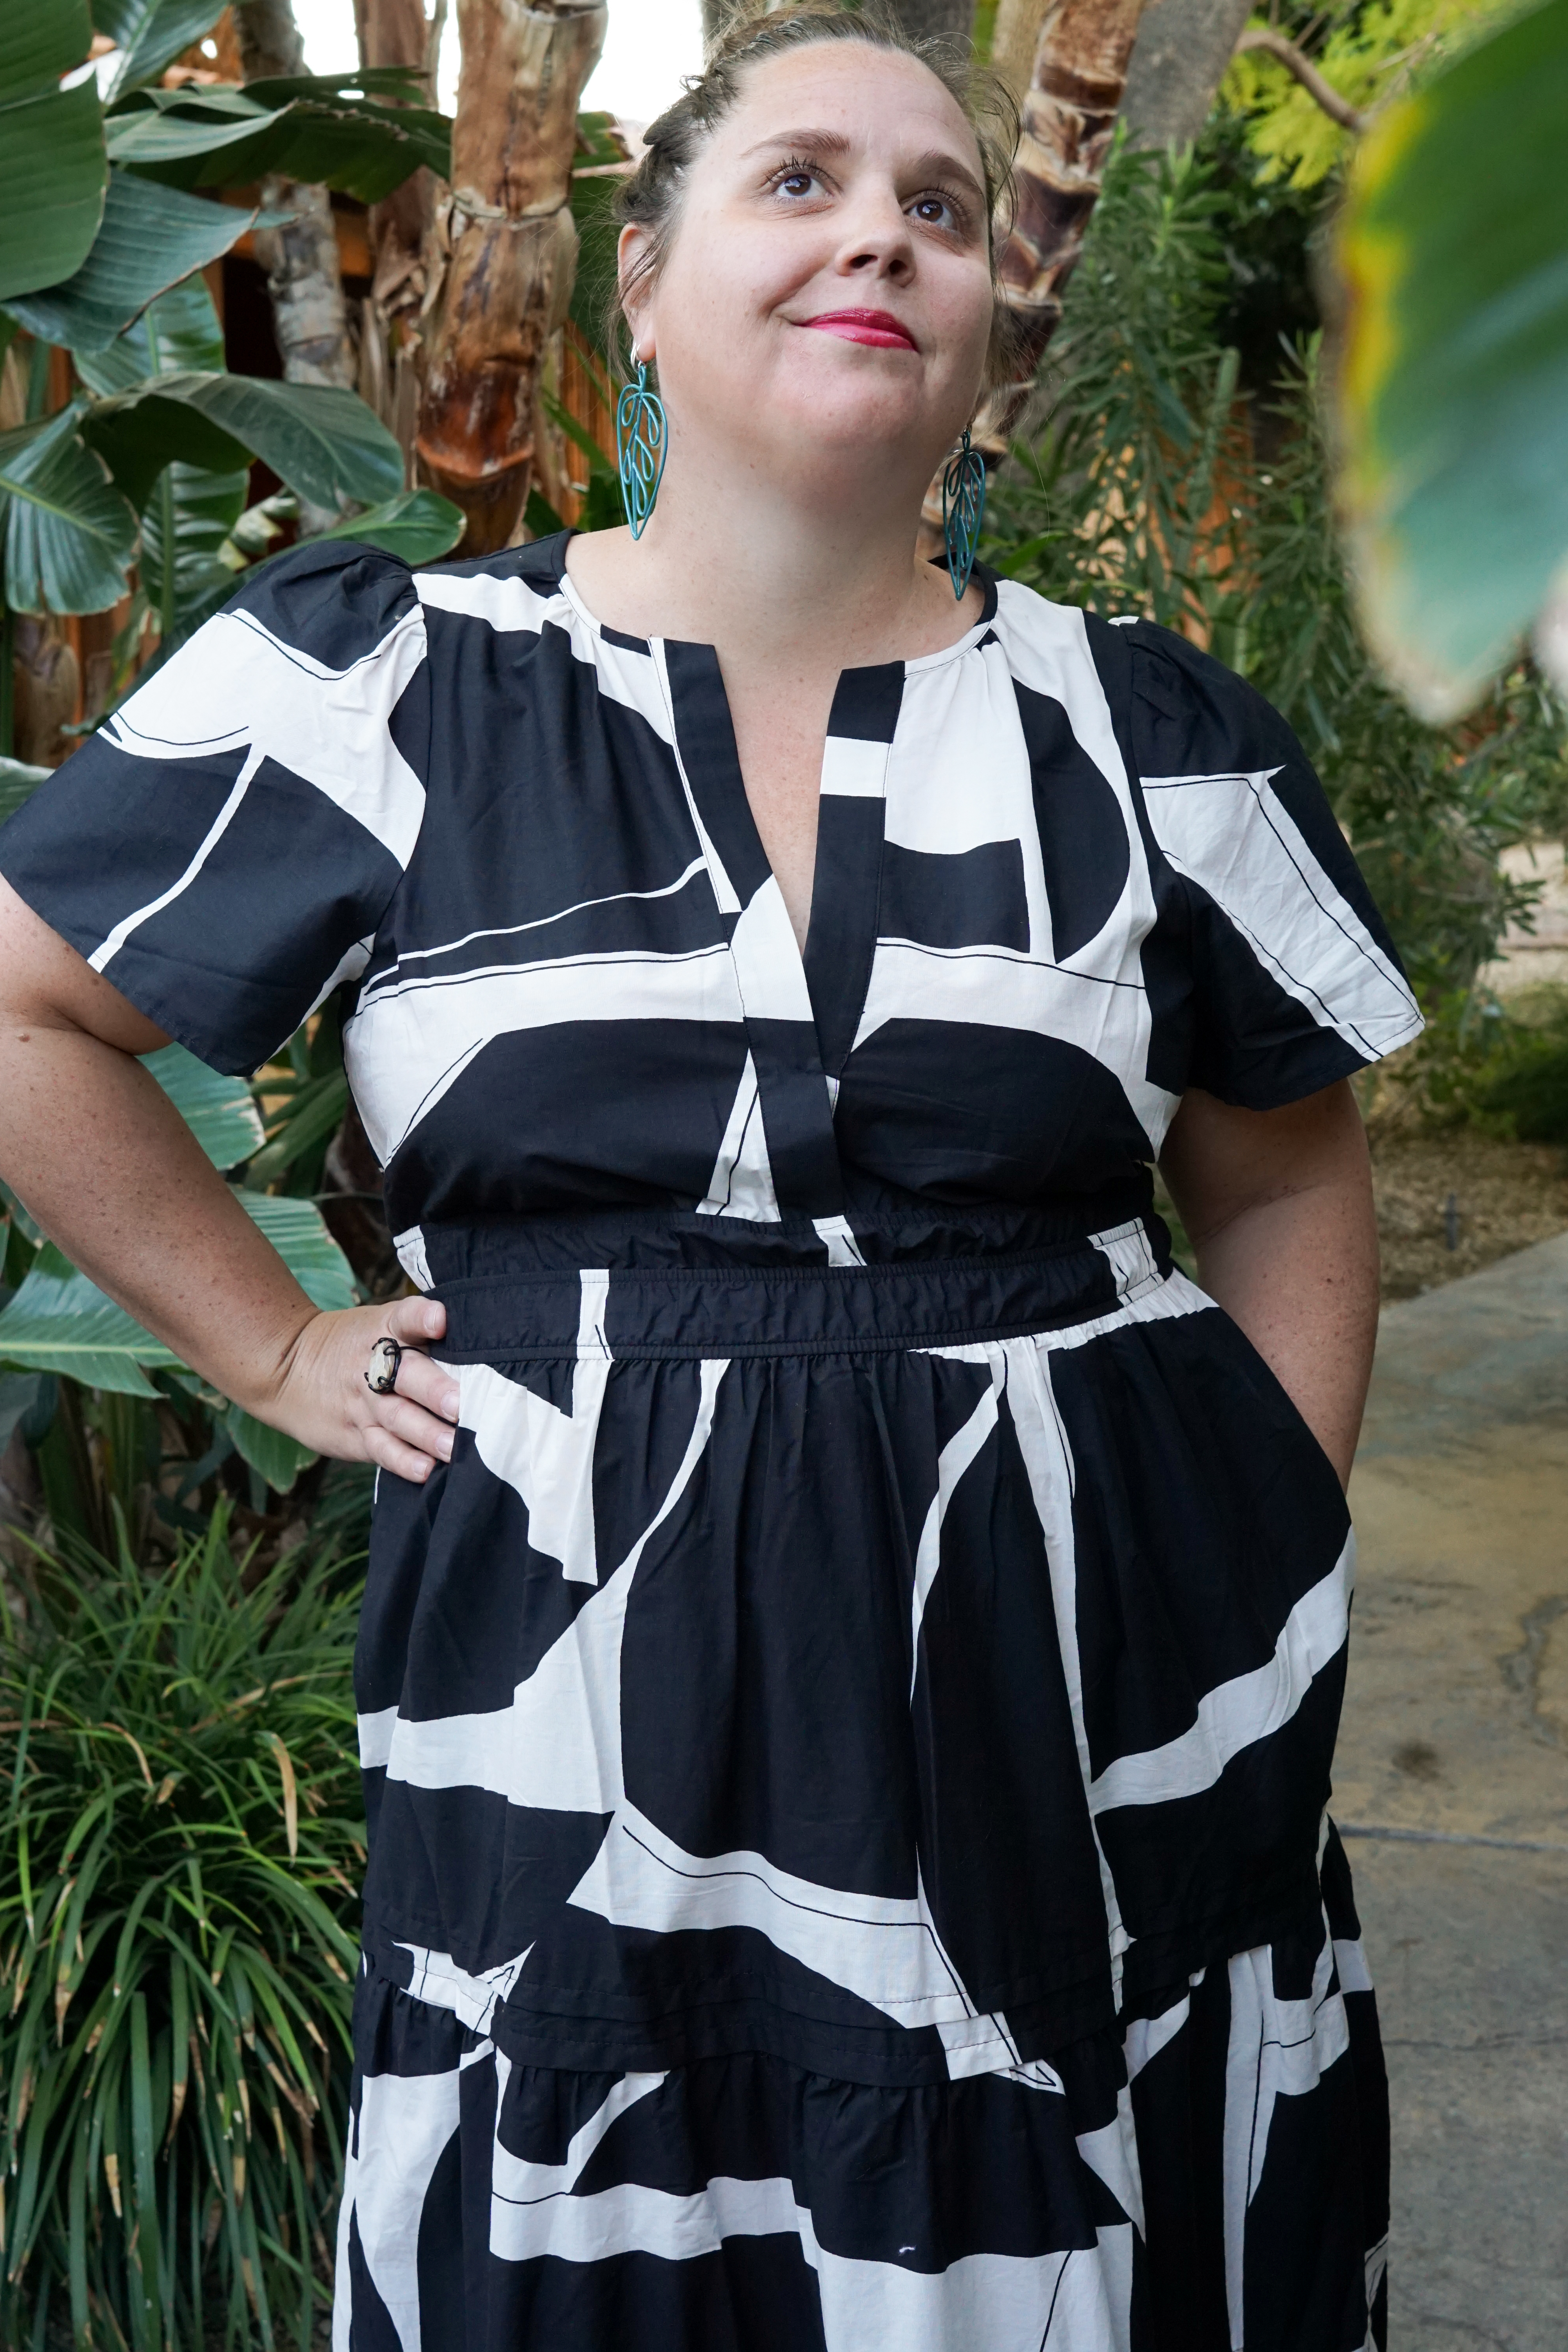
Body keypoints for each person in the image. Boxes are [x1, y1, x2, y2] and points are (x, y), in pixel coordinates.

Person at [0, 4, 1416, 2345]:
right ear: (640, 282)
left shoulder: (1146, 733)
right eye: (803, 180)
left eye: (940, 206)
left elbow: (1282, 1172)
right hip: (571, 1713)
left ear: (983, 325)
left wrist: (1262, 1519)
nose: (884, 231)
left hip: (1082, 1701)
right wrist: (264, 1342)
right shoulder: (393, 683)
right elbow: (34, 1012)